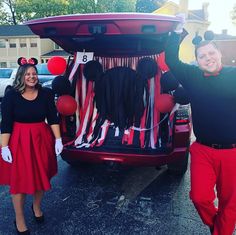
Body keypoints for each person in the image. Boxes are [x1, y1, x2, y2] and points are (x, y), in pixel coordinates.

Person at [165, 15, 236, 235]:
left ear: (220, 54)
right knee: (199, 197)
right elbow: (171, 60)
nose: (208, 58)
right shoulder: (193, 76)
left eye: (212, 53)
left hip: (233, 152)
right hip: (203, 150)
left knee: (230, 203)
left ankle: (220, 231)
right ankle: (218, 225)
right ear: (197, 60)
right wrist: (177, 32)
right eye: (202, 55)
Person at [0, 57, 63, 234]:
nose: (32, 76)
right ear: (21, 76)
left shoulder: (46, 94)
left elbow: (53, 118)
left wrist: (58, 139)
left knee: (41, 177)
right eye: (27, 74)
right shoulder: (11, 95)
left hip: (41, 139)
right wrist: (4, 146)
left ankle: (36, 207)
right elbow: (6, 122)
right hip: (18, 140)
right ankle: (19, 219)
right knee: (19, 181)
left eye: (34, 73)